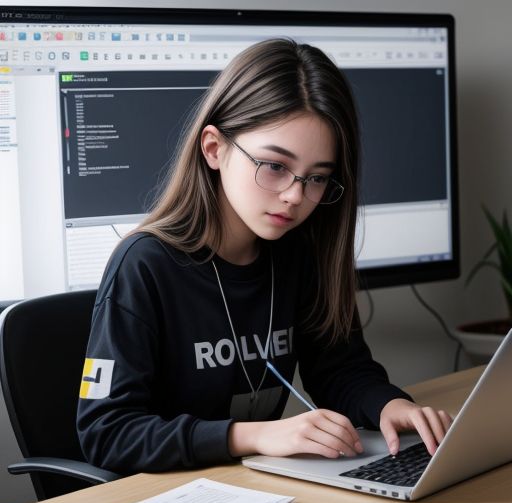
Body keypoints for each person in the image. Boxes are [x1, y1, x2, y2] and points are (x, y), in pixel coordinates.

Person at [77, 38, 452, 474]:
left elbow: (340, 370)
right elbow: (105, 433)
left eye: (316, 179)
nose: (295, 196)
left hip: (257, 486)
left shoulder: (302, 252)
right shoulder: (144, 265)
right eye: (274, 166)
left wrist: (387, 405)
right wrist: (254, 435)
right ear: (215, 149)